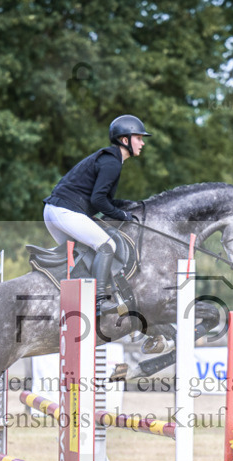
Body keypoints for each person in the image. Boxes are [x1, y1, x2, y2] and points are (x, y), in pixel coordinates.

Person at [43, 114, 151, 314]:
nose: (142, 143)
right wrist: (123, 216)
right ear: (125, 140)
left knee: (83, 254)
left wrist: (129, 207)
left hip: (55, 212)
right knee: (106, 245)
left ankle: (74, 300)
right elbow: (98, 201)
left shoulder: (110, 159)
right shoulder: (112, 162)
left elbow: (104, 200)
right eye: (139, 138)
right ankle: (99, 301)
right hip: (65, 211)